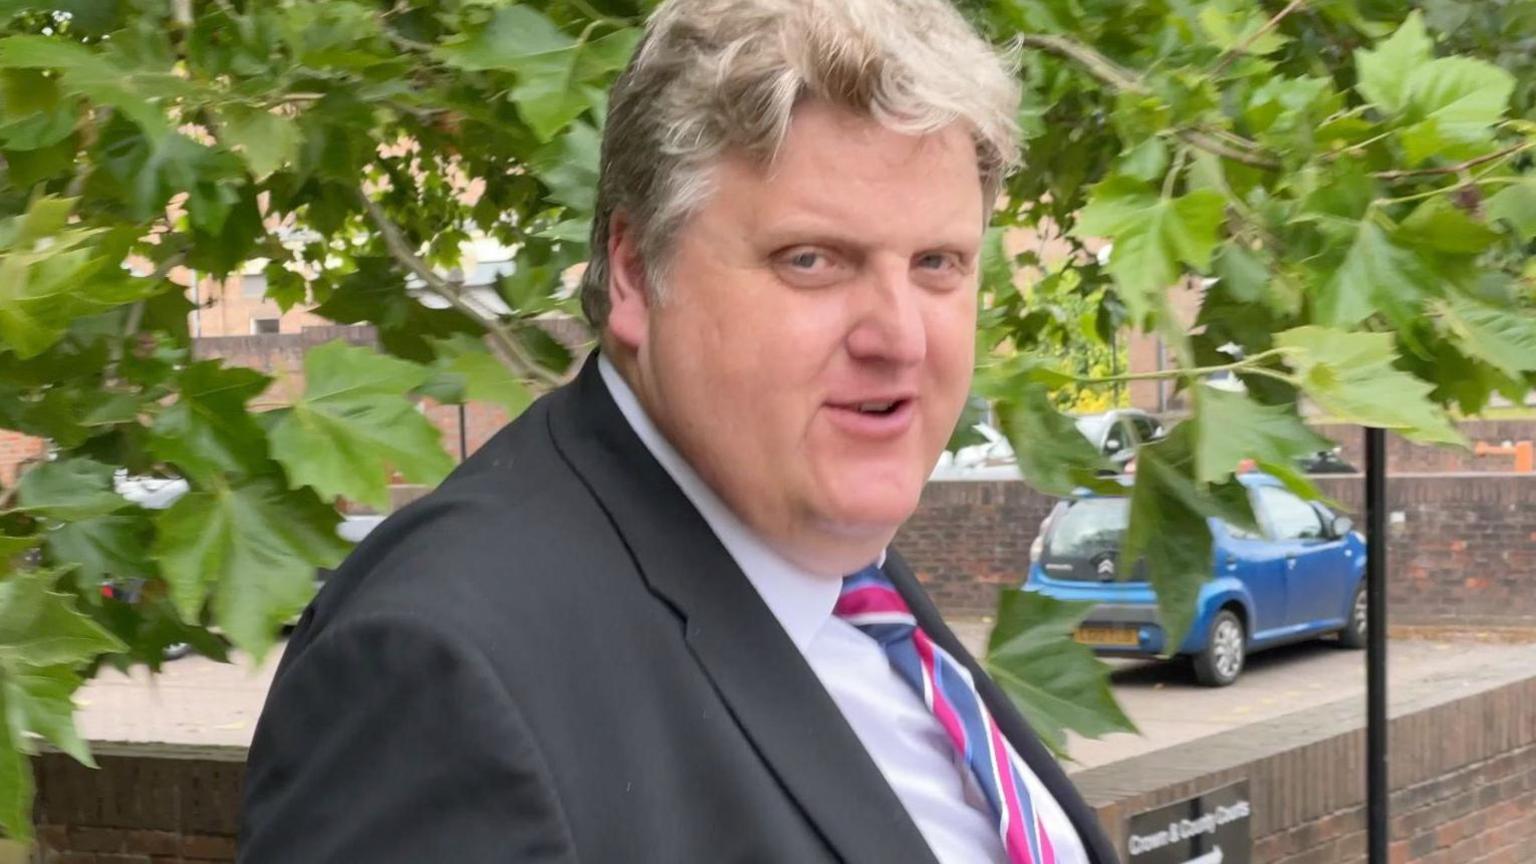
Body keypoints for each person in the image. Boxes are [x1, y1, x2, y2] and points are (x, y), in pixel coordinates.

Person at [239, 0, 1119, 861]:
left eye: (938, 264)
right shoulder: (437, 680)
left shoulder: (831, 559)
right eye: (811, 260)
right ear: (633, 272)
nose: (899, 338)